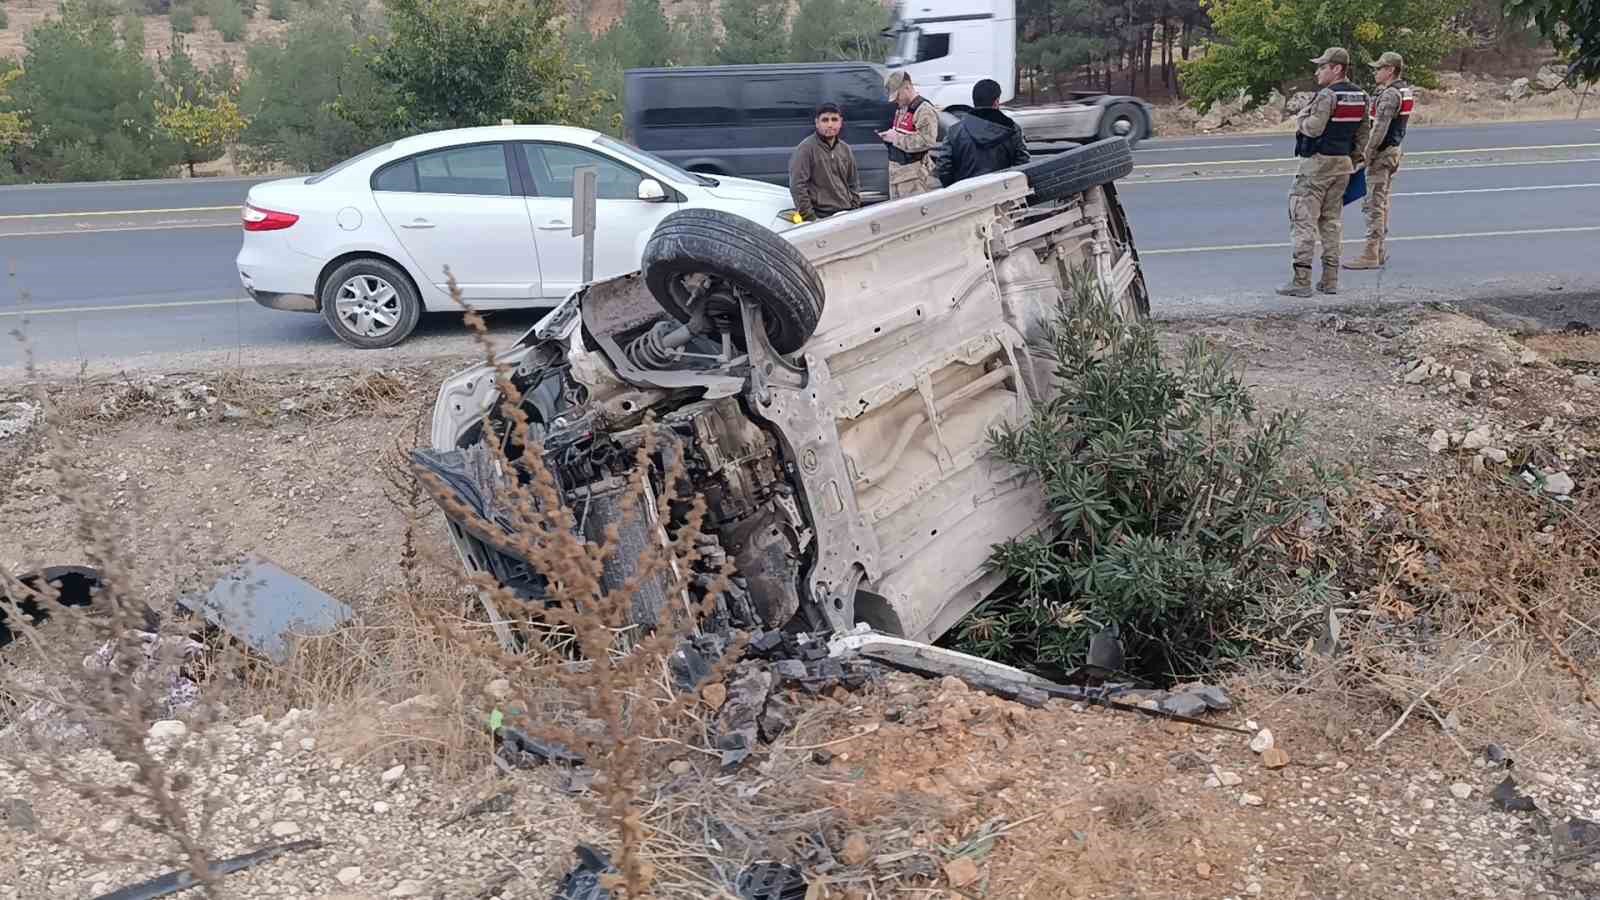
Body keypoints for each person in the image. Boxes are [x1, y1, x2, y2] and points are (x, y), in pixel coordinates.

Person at [1277, 47, 1372, 298]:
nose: (1317, 71)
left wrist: (1301, 118)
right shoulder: (1362, 96)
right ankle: (1330, 280)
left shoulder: (1327, 95)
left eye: (1322, 66)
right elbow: (1363, 134)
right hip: (1342, 165)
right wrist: (1353, 160)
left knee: (1303, 221)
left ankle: (1301, 281)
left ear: (1337, 69)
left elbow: (1314, 129)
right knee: (1331, 222)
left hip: (1317, 165)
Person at [1344, 51, 1413, 270]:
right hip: (1394, 150)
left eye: (1379, 68)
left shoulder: (1391, 94)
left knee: (1373, 203)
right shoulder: (1404, 91)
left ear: (1390, 70)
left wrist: (1367, 154)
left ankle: (1371, 253)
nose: (1375, 72)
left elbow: (1379, 128)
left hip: (1383, 154)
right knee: (1381, 201)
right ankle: (1379, 250)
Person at [937, 78, 1030, 187]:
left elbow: (944, 168)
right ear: (996, 102)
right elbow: (1022, 164)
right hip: (1003, 193)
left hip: (965, 196)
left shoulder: (954, 131)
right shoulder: (1012, 129)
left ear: (974, 101)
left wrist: (955, 188)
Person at [787, 103, 861, 221]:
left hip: (846, 214)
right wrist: (811, 218)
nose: (830, 124)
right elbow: (797, 186)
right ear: (817, 123)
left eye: (834, 119)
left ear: (840, 122)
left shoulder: (845, 149)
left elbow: (853, 182)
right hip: (821, 217)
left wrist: (854, 208)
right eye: (825, 120)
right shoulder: (806, 149)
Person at [878, 71, 941, 199]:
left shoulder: (924, 110)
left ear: (907, 87)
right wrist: (889, 137)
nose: (895, 100)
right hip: (898, 177)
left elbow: (927, 141)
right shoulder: (901, 108)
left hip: (915, 179)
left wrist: (896, 138)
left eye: (897, 95)